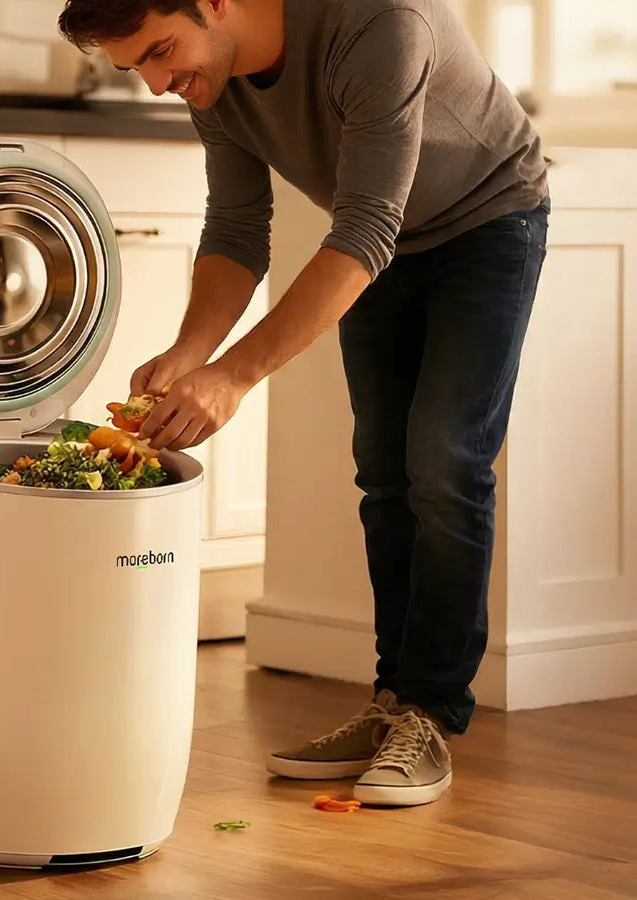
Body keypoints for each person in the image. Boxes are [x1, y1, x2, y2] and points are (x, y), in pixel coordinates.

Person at [57, 0, 549, 807]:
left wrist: (234, 377)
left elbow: (365, 230)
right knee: (384, 472)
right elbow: (236, 228)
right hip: (382, 241)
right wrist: (190, 354)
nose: (155, 83)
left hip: (488, 218)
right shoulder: (209, 77)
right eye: (134, 66)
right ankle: (393, 702)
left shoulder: (379, 23)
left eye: (160, 51)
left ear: (216, 3)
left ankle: (429, 714)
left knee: (443, 462)